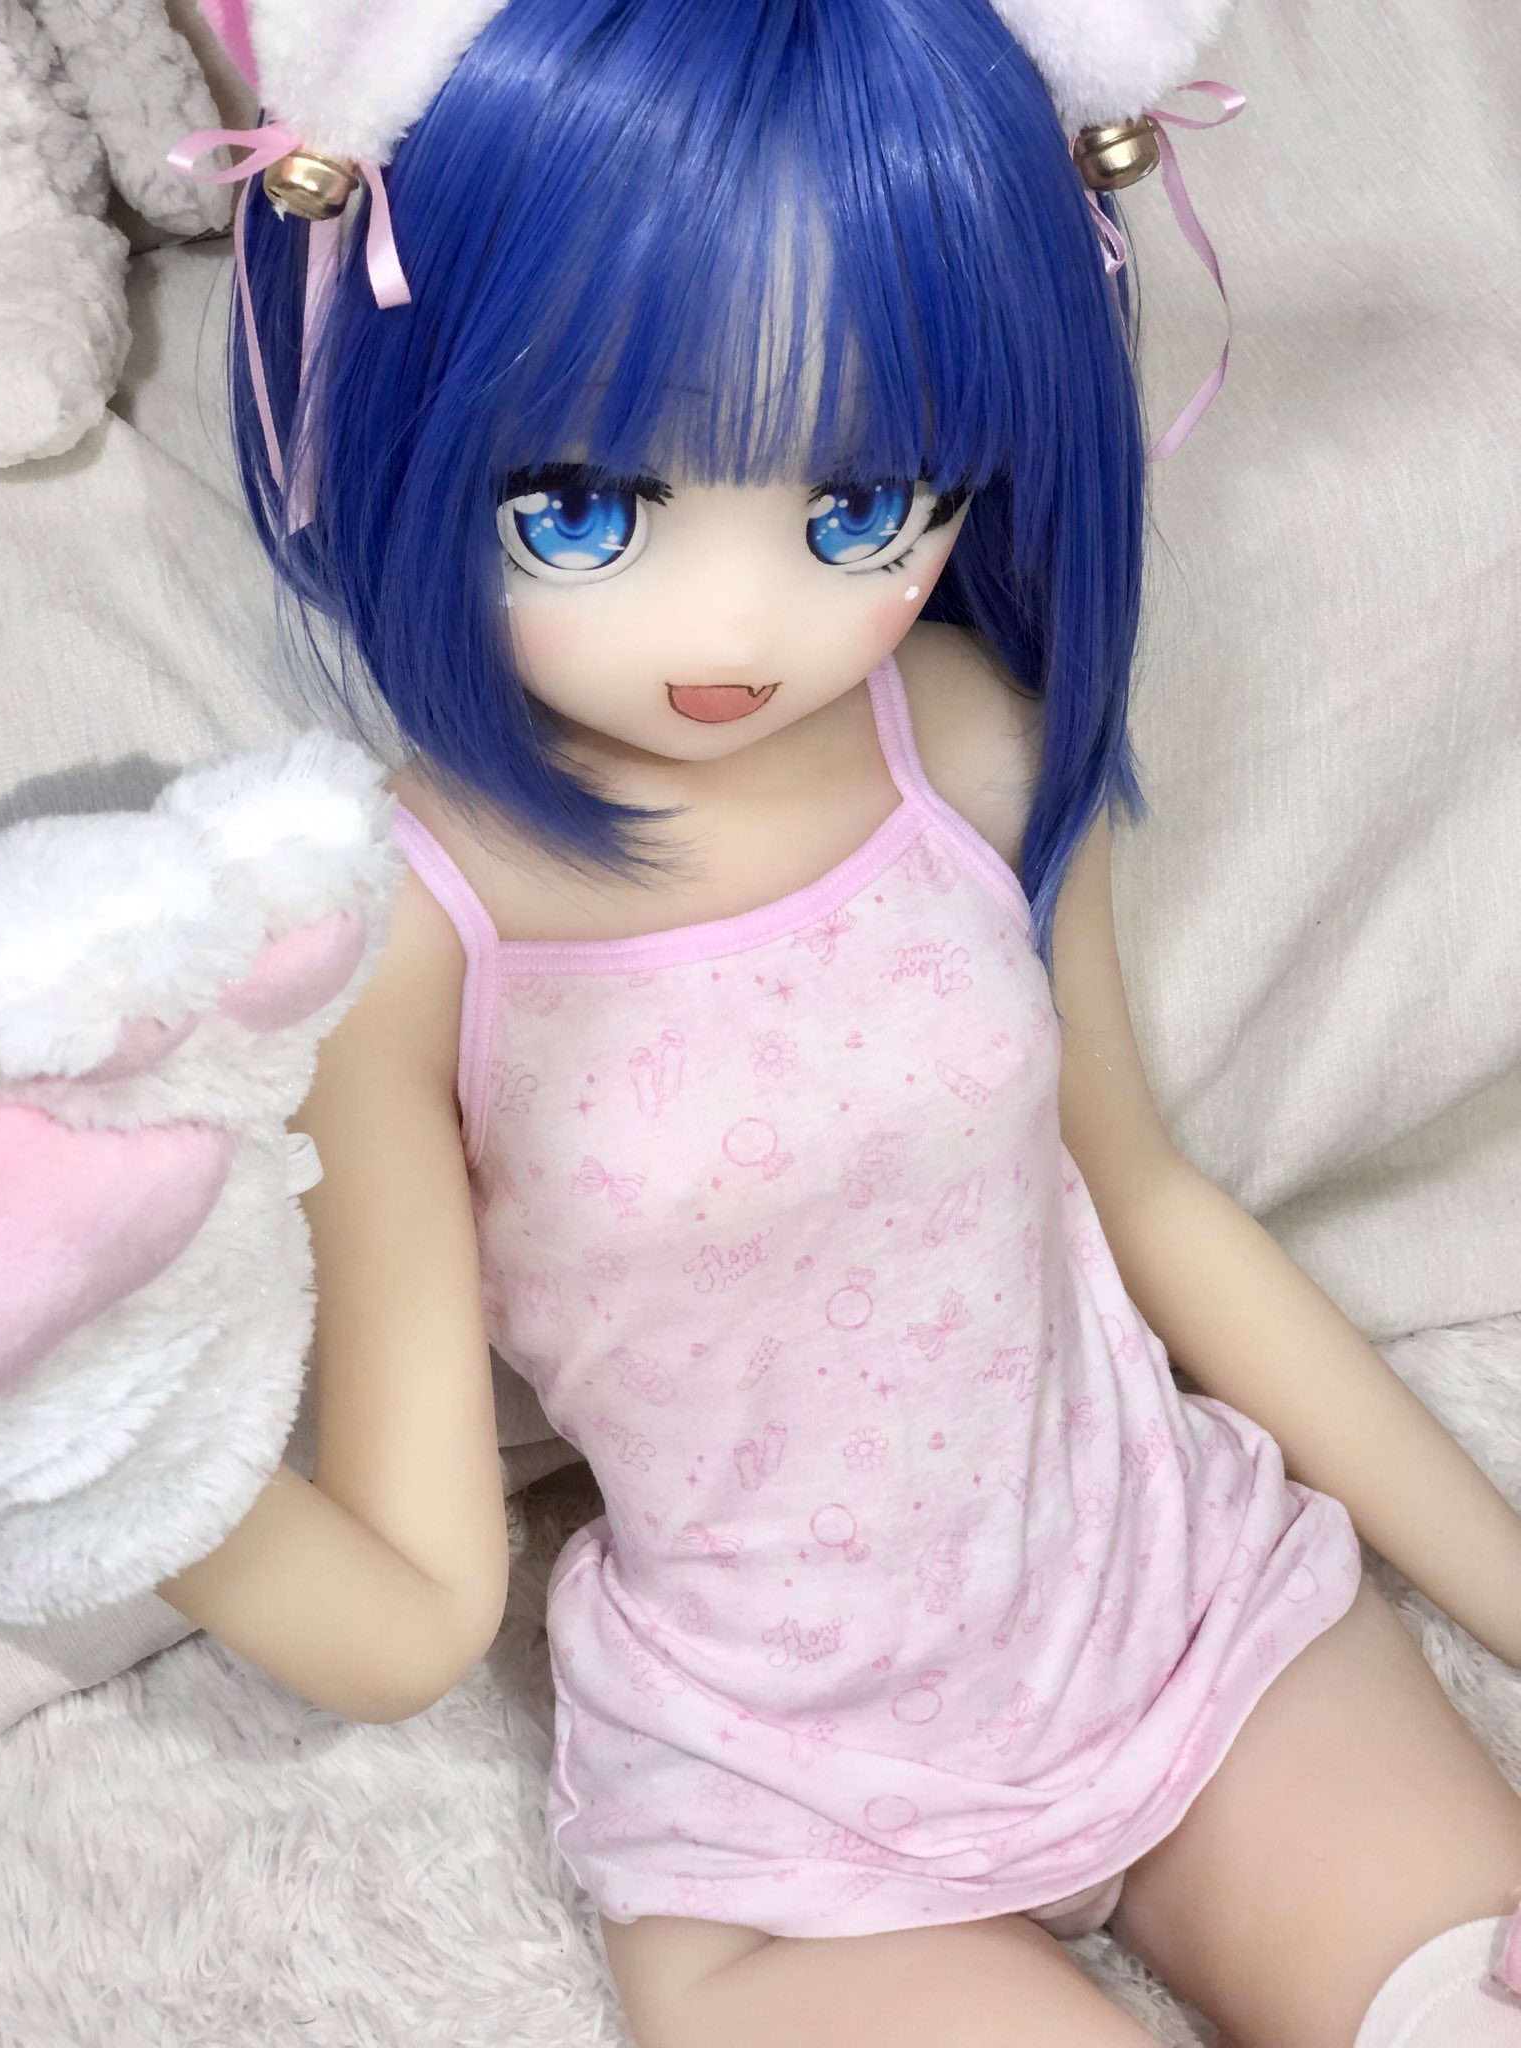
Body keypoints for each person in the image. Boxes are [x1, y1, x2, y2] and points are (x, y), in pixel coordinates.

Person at [158, 2, 1521, 2042]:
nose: (736, 625)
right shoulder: (410, 931)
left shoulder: (964, 739)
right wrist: (93, 1449)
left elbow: (1154, 1202)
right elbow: (420, 1603)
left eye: (861, 502)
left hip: (1188, 1633)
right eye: (582, 504)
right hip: (781, 1834)